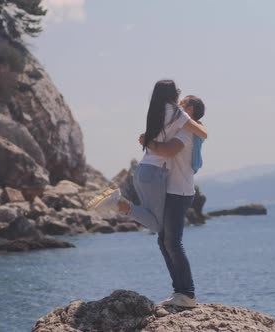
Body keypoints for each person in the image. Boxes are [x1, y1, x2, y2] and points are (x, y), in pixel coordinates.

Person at [86, 80, 207, 234]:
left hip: (143, 170)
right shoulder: (177, 113)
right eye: (177, 92)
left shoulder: (156, 110)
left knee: (153, 220)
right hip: (155, 174)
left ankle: (119, 203)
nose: (179, 96)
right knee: (158, 226)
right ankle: (117, 202)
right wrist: (200, 125)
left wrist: (148, 142)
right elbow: (202, 133)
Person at [141, 95, 206, 307]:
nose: (179, 105)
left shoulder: (187, 131)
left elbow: (168, 151)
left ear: (192, 112)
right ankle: (180, 291)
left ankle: (187, 293)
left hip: (180, 192)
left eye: (185, 103)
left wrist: (147, 141)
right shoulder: (180, 128)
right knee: (164, 240)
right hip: (171, 191)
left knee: (172, 242)